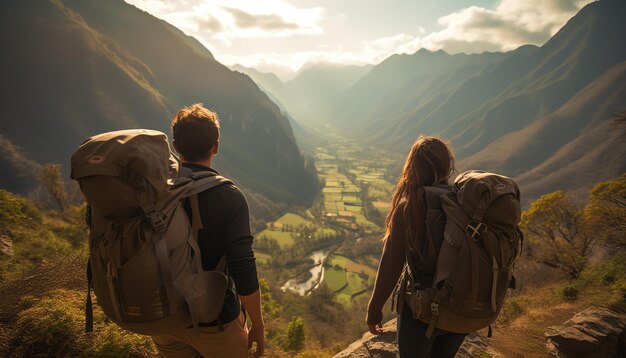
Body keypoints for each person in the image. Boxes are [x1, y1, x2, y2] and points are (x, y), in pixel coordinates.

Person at [151, 103, 265, 357]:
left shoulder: (155, 190)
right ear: (216, 146)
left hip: (164, 316)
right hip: (215, 320)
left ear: (175, 146)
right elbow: (243, 266)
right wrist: (257, 324)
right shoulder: (229, 196)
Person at [366, 135, 466, 357]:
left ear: (413, 167)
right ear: (447, 165)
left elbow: (391, 264)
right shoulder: (463, 202)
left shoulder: (409, 208)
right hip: (461, 310)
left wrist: (374, 311)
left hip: (421, 312)